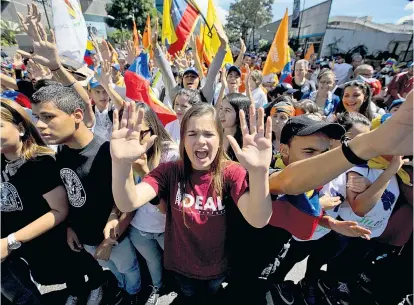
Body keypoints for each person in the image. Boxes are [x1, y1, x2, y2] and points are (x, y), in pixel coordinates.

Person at [111, 103, 274, 304]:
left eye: (208, 134)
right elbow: (128, 201)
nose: (201, 141)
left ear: (220, 138)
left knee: (210, 298)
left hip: (217, 268)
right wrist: (121, 164)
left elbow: (258, 219)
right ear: (183, 139)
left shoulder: (231, 173)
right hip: (181, 268)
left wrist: (260, 172)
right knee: (187, 297)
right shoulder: (169, 171)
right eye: (192, 133)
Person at [31, 85, 141, 304]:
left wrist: (109, 242)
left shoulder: (106, 152)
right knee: (112, 271)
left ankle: (134, 293)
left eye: (48, 117)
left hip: (115, 240)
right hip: (85, 238)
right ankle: (120, 288)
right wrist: (71, 227)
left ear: (77, 115)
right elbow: (72, 194)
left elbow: (125, 202)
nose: (40, 125)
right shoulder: (63, 148)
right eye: (36, 117)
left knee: (128, 269)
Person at [1, 98, 71, 304]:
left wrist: (11, 241)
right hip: (14, 251)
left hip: (41, 248)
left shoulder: (41, 163)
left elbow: (59, 210)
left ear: (20, 128)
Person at [128, 102, 179, 305]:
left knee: (176, 265)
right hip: (137, 227)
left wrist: (143, 171)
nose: (135, 140)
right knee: (153, 265)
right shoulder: (122, 151)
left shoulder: (171, 155)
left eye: (140, 133)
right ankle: (157, 288)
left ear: (153, 128)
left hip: (165, 227)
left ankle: (179, 291)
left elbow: (166, 205)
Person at [151, 26, 227, 104]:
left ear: (199, 82)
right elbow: (166, 71)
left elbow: (212, 73)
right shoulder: (176, 94)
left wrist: (223, 46)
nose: (189, 78)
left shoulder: (205, 95)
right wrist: (155, 45)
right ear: (182, 81)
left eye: (193, 77)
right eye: (186, 76)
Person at [218, 93, 251, 162]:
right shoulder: (214, 134)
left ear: (241, 113)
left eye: (227, 110)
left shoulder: (247, 140)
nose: (221, 114)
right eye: (221, 108)